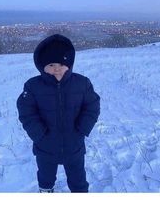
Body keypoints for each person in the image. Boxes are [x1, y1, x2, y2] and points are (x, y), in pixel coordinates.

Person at [17, 34, 100, 193]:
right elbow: (26, 111)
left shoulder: (82, 83)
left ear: (69, 64)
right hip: (45, 146)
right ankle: (46, 190)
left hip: (74, 145)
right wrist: (39, 133)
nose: (57, 68)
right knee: (46, 177)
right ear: (42, 65)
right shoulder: (33, 86)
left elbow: (92, 106)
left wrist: (82, 128)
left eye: (62, 63)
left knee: (78, 179)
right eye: (51, 64)